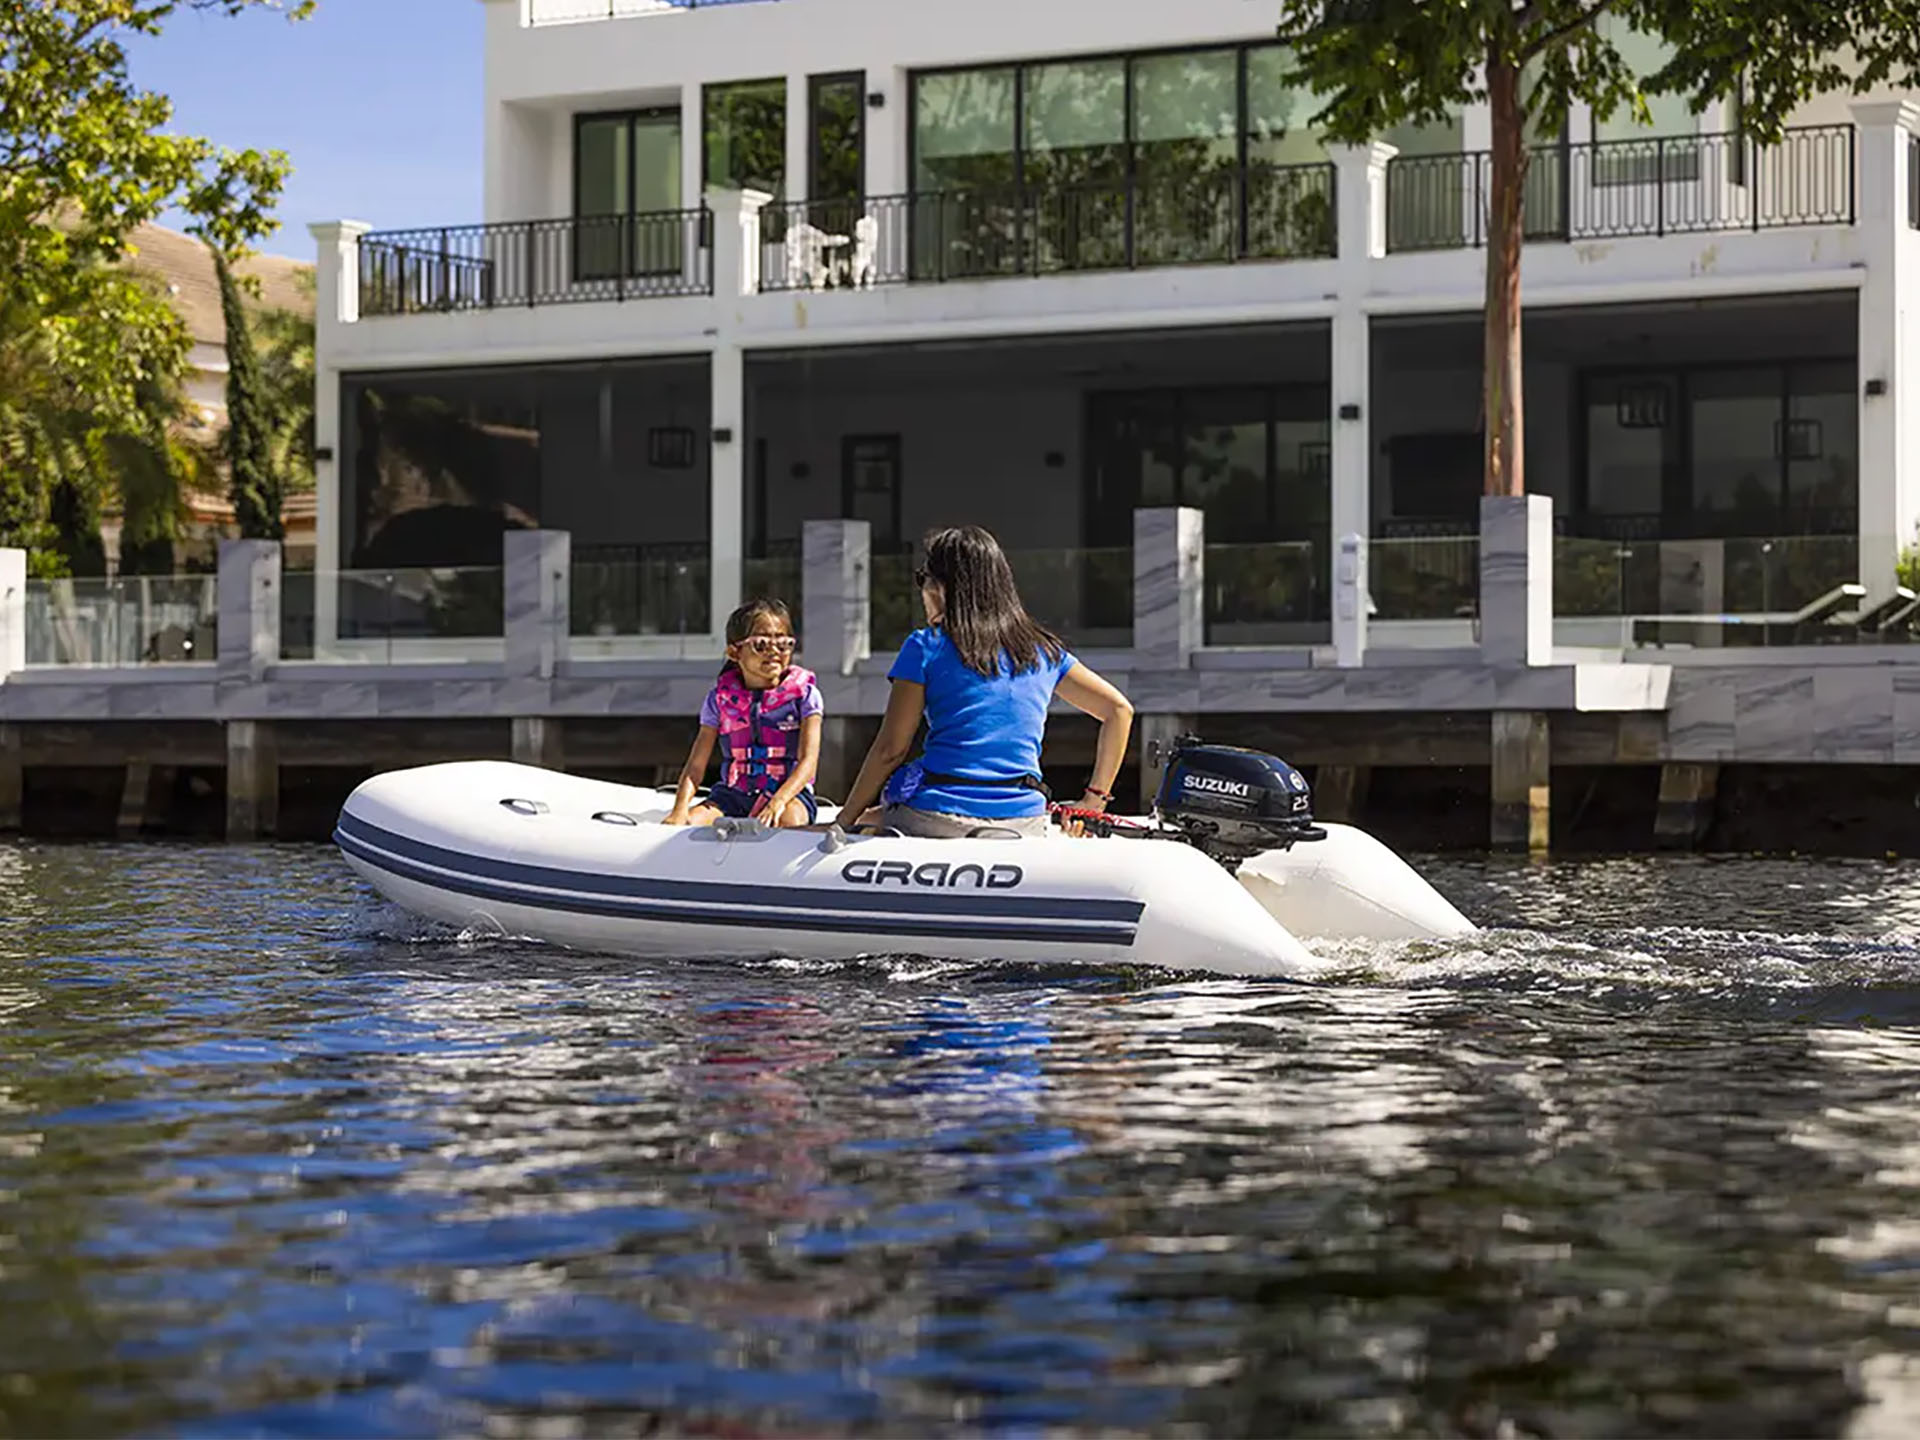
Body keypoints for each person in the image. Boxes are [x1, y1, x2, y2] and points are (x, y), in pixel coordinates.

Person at [834, 525, 1134, 838]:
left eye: (923, 579)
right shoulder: (1043, 652)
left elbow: (890, 750)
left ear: (942, 587)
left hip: (937, 816)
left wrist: (843, 822)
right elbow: (1118, 710)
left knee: (871, 817)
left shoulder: (925, 646)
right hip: (1023, 822)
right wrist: (1094, 802)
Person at [665, 598, 822, 828]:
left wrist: (778, 801)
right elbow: (696, 766)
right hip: (732, 796)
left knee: (787, 819)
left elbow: (809, 761)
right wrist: (679, 811)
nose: (774, 652)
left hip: (789, 796)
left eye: (783, 644)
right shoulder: (719, 701)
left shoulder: (805, 696)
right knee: (690, 822)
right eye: (761, 644)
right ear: (734, 652)